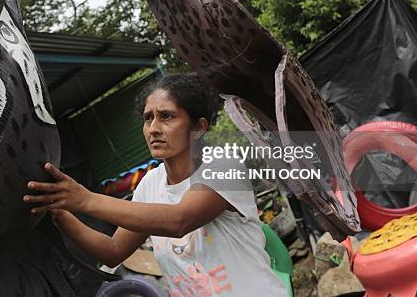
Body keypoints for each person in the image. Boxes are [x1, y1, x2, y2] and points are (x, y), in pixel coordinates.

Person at [24, 74, 287, 296]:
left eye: (167, 117)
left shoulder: (223, 166)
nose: (153, 128)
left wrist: (85, 199)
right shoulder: (150, 184)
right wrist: (59, 209)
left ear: (199, 127)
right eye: (148, 118)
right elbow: (113, 251)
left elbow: (179, 220)